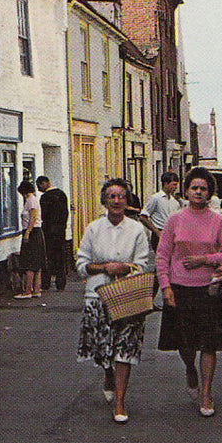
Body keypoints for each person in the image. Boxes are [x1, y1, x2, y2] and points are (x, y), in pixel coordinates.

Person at [156, 167, 222, 417]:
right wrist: (166, 287)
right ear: (187, 190)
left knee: (209, 345)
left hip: (210, 290)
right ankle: (190, 370)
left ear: (210, 193)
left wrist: (206, 259)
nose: (199, 192)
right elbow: (162, 256)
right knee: (185, 344)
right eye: (194, 188)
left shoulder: (218, 220)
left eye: (203, 189)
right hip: (180, 289)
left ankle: (206, 392)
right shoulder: (175, 219)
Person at [75, 178, 153, 424]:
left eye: (121, 196)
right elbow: (80, 265)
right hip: (98, 296)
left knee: (125, 349)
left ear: (127, 200)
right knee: (103, 348)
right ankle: (108, 374)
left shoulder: (137, 230)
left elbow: (142, 264)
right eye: (112, 196)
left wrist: (124, 268)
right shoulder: (93, 229)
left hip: (128, 297)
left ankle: (120, 401)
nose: (117, 201)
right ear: (104, 201)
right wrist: (103, 267)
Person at [37, 175, 70, 292]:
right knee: (60, 257)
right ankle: (61, 283)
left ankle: (46, 283)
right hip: (60, 231)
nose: (38, 189)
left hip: (48, 232)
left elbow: (43, 216)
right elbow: (66, 213)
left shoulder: (45, 198)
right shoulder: (61, 194)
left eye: (39, 186)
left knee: (48, 257)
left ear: (44, 183)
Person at [15, 180, 46, 299]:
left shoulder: (31, 200)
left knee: (29, 262)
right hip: (37, 232)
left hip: (32, 233)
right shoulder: (33, 199)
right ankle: (36, 290)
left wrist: (27, 232)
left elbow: (33, 217)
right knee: (37, 263)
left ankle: (27, 291)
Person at [139, 172, 181, 254]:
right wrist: (156, 231)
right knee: (161, 260)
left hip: (172, 234)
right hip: (159, 234)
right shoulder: (156, 198)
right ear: (166, 184)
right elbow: (143, 217)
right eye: (174, 184)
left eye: (176, 185)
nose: (176, 188)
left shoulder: (175, 201)